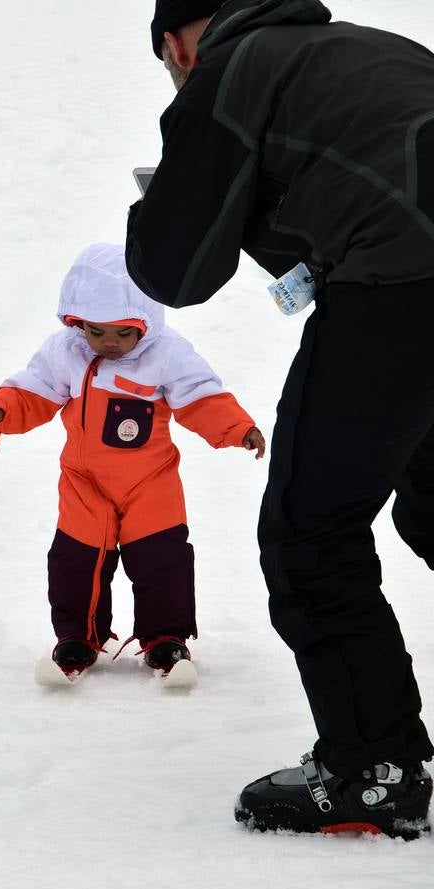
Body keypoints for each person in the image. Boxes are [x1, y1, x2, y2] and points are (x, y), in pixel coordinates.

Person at [125, 0, 434, 837]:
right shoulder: (365, 48)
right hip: (406, 270)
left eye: (168, 59)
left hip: (402, 288)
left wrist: (151, 213)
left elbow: (177, 270)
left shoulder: (230, 70)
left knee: (311, 533)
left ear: (177, 41)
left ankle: (374, 773)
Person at [0, 243, 265, 678]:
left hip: (151, 482)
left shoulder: (167, 353)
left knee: (161, 560)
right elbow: (33, 390)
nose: (108, 343)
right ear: (77, 322)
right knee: (75, 560)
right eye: (96, 331)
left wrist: (238, 428)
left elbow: (201, 396)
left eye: (122, 333)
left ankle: (167, 640)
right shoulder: (66, 352)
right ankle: (77, 638)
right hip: (83, 481)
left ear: (145, 323)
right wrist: (1, 409)